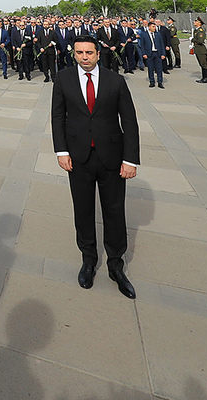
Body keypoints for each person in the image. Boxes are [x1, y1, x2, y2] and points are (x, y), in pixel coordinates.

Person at [52, 35, 139, 299]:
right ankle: (88, 259)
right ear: (74, 54)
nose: (84, 57)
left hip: (111, 157)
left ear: (98, 54)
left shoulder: (115, 81)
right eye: (79, 53)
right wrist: (61, 151)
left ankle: (116, 264)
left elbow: (129, 121)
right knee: (83, 209)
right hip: (78, 157)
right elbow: (58, 116)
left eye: (89, 52)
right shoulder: (63, 79)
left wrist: (130, 159)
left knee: (114, 210)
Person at [138, 21, 166, 89]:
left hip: (157, 53)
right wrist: (144, 53)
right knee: (150, 68)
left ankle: (160, 82)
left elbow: (161, 44)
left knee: (159, 69)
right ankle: (152, 82)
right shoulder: (144, 34)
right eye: (153, 27)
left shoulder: (158, 34)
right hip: (149, 54)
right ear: (149, 27)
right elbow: (142, 45)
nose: (154, 28)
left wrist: (163, 54)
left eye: (155, 27)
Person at [192, 17, 207, 83]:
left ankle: (206, 78)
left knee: (204, 64)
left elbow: (200, 41)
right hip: (197, 49)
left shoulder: (200, 31)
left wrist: (192, 39)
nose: (194, 22)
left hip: (201, 49)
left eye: (196, 21)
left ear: (199, 23)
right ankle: (203, 77)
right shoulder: (196, 30)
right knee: (201, 64)